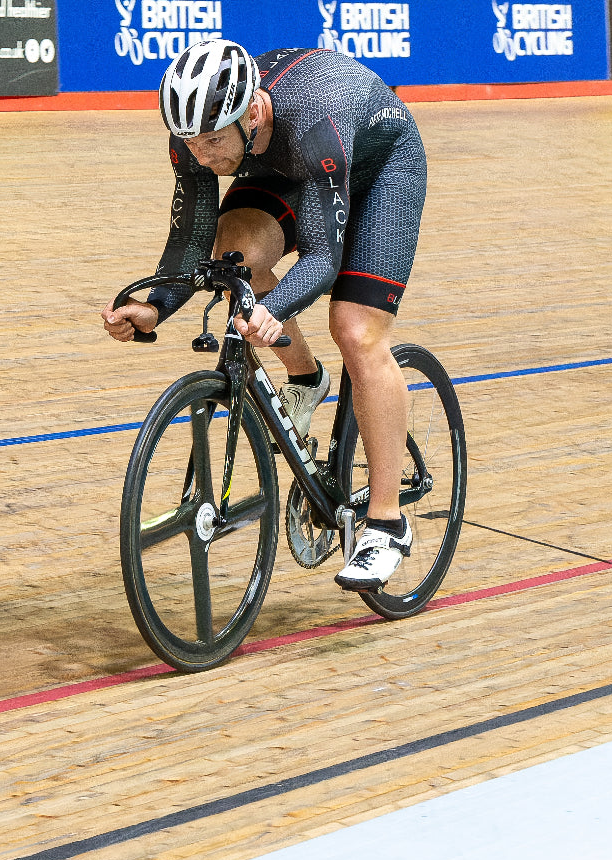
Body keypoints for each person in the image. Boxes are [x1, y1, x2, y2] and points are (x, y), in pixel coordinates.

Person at [101, 40, 427, 591]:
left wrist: (273, 309)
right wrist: (154, 307)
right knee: (235, 260)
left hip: (378, 168)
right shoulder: (203, 135)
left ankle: (386, 524)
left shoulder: (312, 113)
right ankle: (306, 378)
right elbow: (192, 238)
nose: (200, 157)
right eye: (189, 143)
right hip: (287, 166)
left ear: (251, 113)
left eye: (210, 142)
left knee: (355, 328)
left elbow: (324, 258)